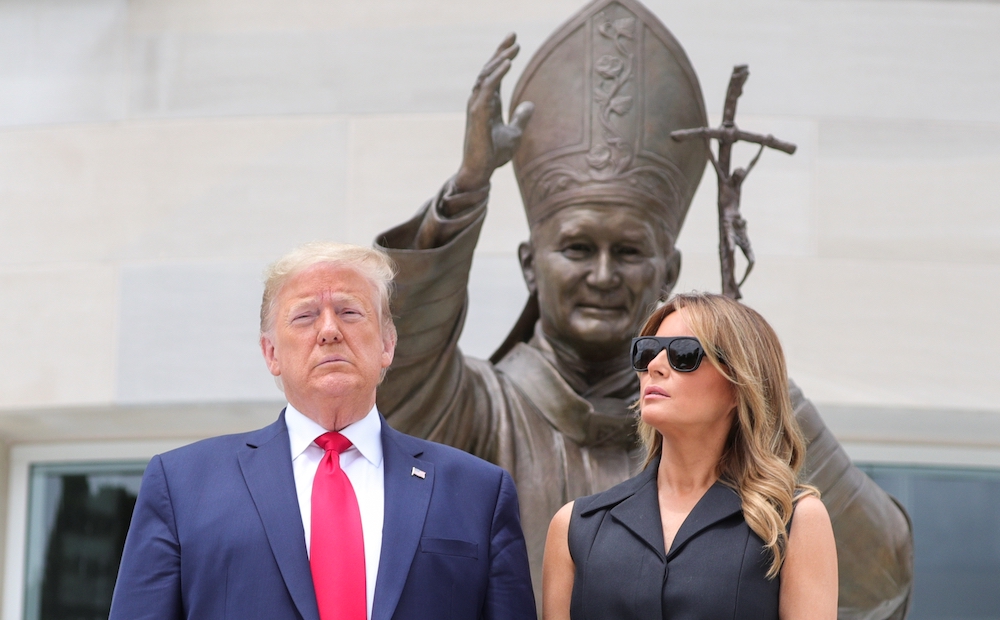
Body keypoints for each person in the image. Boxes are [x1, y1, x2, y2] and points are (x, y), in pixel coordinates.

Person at [375, 2, 911, 617]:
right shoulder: (476, 410)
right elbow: (398, 364)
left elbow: (882, 577)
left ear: (668, 271)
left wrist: (755, 379)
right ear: (530, 262)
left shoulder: (748, 449)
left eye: (629, 251)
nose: (602, 275)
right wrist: (467, 189)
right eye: (577, 248)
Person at [109, 242, 536, 620]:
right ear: (271, 352)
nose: (329, 330)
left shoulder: (478, 492)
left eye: (349, 312)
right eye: (305, 316)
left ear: (387, 344)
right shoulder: (183, 486)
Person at [542, 293, 838, 619]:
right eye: (647, 352)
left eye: (684, 354)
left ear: (739, 384)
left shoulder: (793, 521)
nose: (654, 367)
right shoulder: (576, 526)